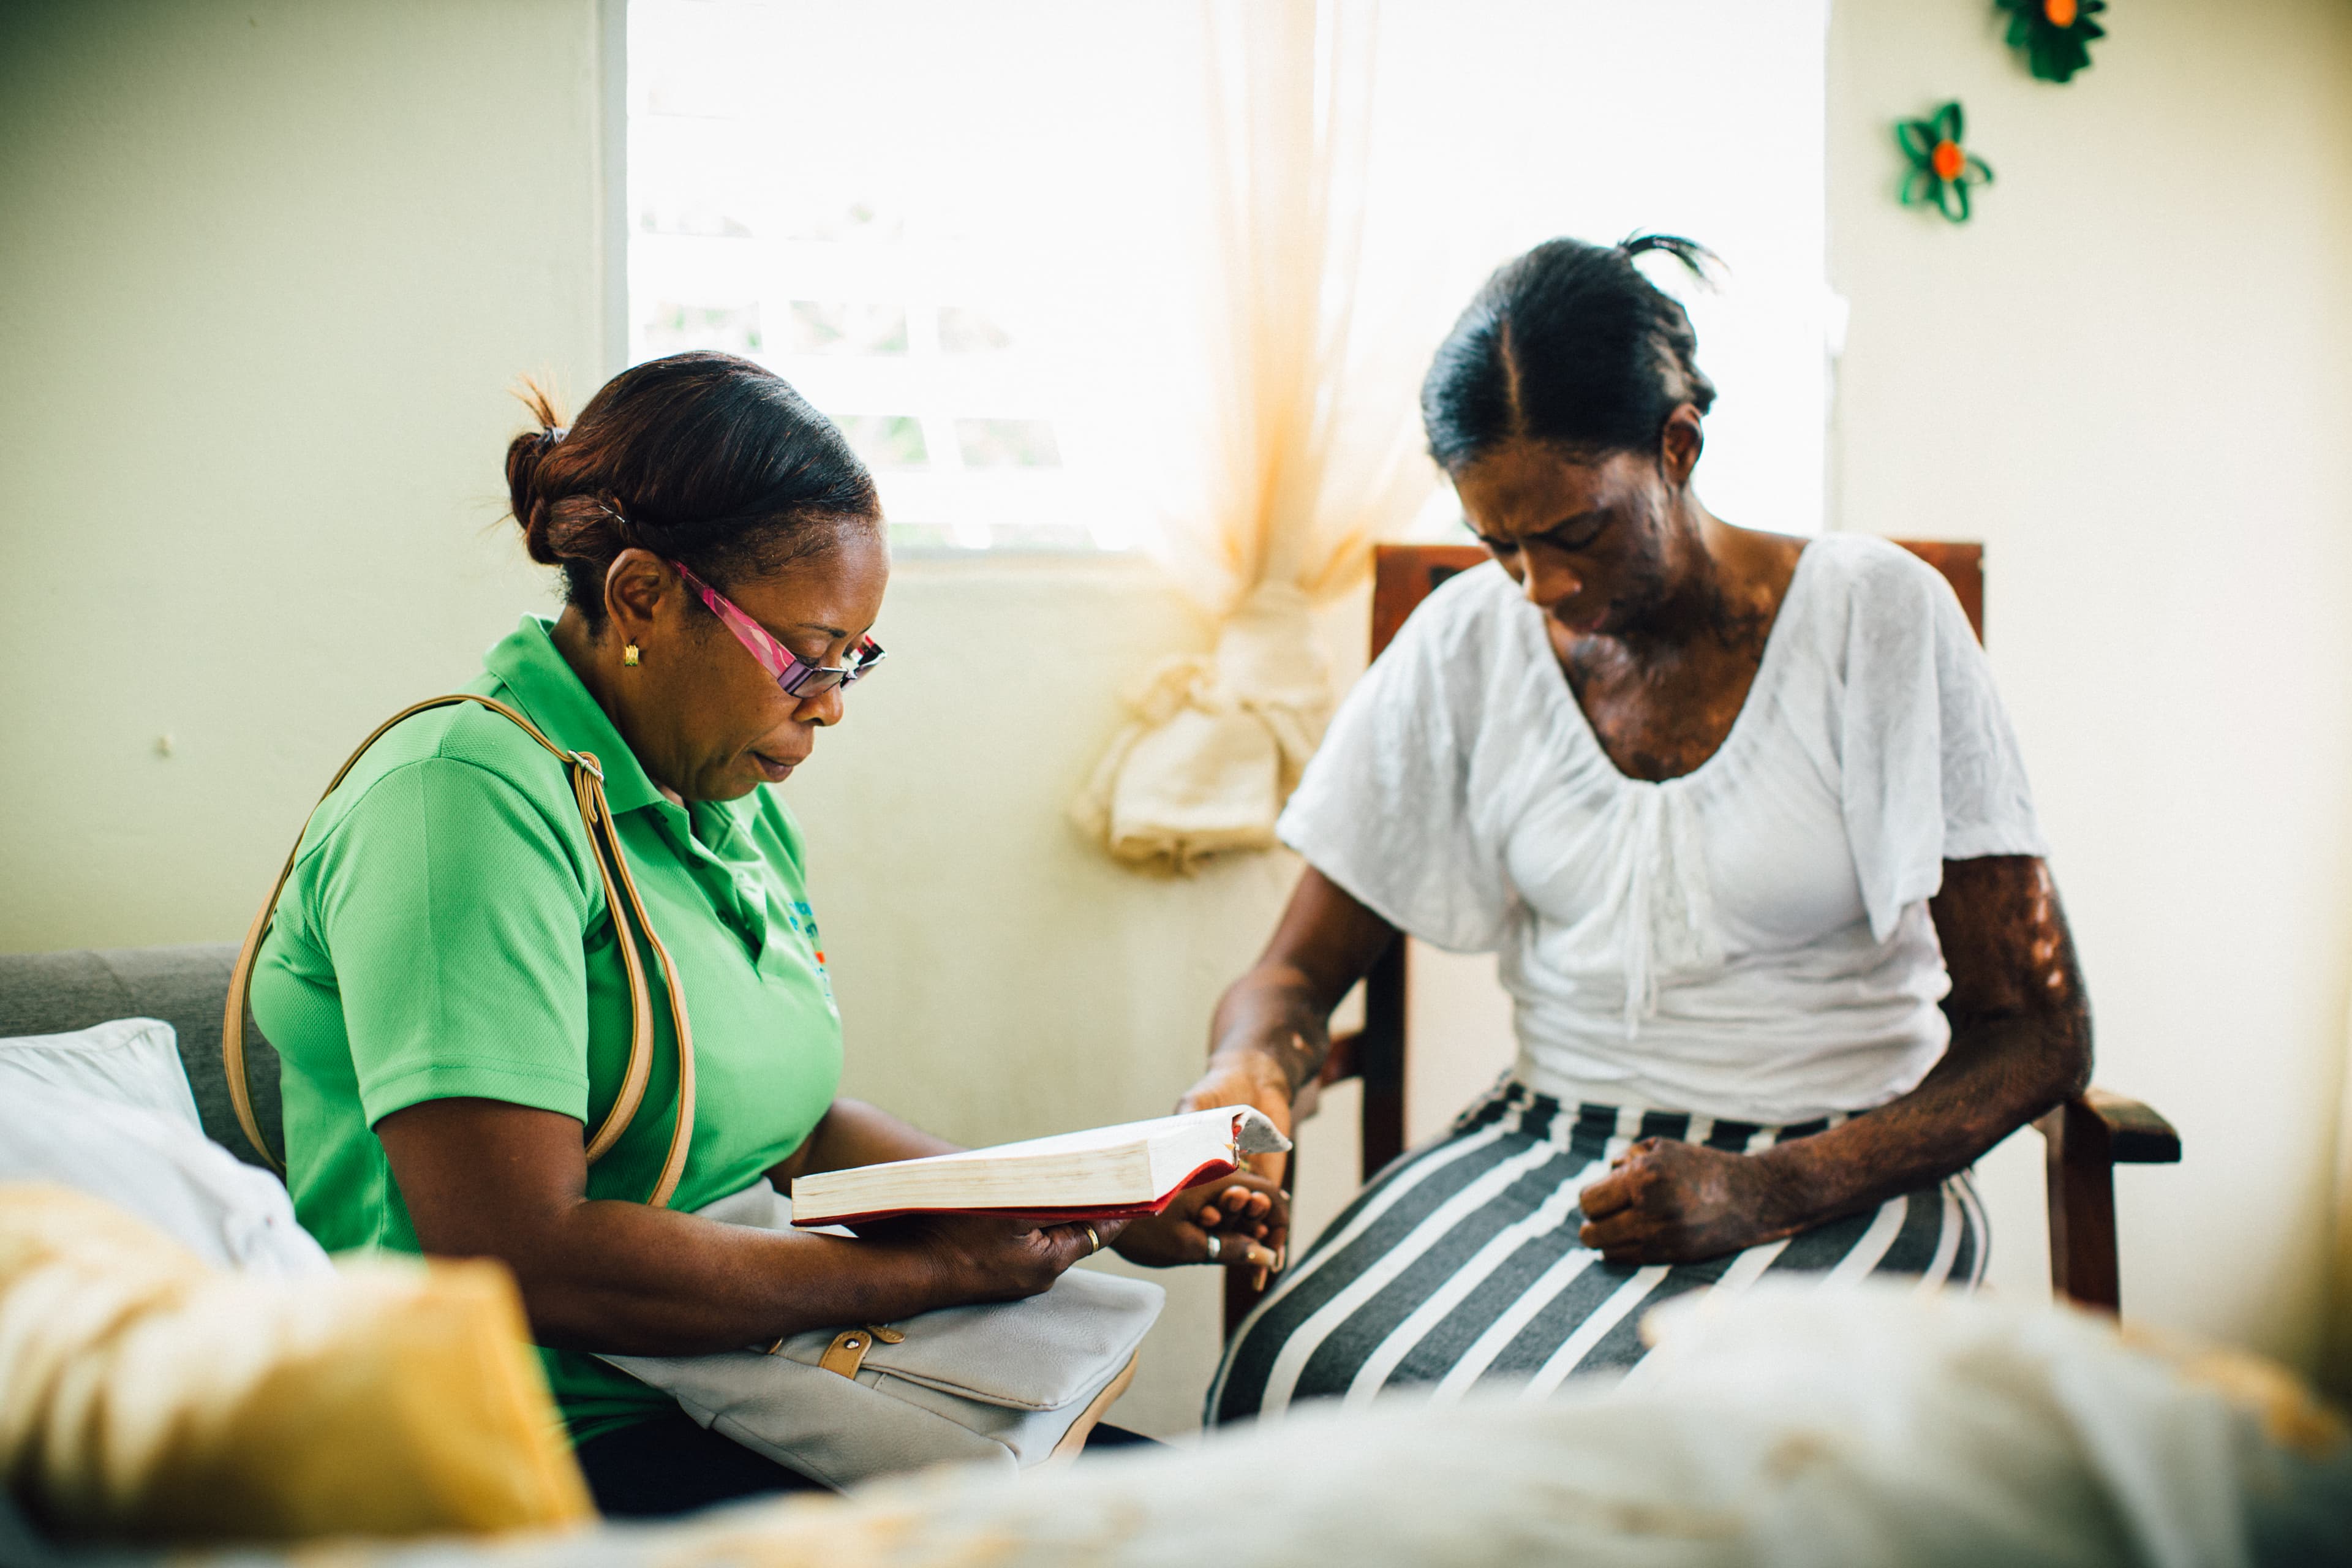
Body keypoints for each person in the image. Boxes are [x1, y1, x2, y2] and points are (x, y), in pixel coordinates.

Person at [247, 352, 1277, 1515]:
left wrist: (1090, 1200)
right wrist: (929, 1269)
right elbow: (520, 1256)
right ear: (642, 596)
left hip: (741, 1379)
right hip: (514, 1441)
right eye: (806, 654)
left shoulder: (719, 798)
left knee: (1225, 1518)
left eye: (853, 661)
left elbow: (793, 1128)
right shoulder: (460, 806)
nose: (830, 704)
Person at [1183, 237, 2092, 1424]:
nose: (1538, 586)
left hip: (1844, 1163)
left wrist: (1770, 1187)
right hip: (1544, 1144)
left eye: (1575, 532)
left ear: (1678, 446)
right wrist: (1241, 1085)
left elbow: (2037, 1030)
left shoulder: (1874, 615)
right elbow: (1294, 973)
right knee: (1292, 1379)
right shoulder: (1469, 643)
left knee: (1663, 1451)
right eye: (1498, 543)